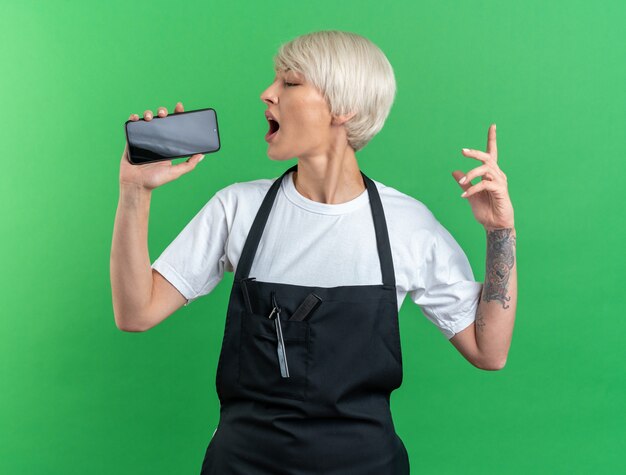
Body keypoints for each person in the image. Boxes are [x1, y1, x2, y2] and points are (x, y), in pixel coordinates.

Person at [111, 30, 517, 475]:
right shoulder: (238, 208)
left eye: (289, 83)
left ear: (344, 108)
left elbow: (488, 351)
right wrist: (134, 193)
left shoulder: (407, 225)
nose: (267, 94)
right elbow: (136, 313)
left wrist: (500, 232)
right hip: (242, 464)